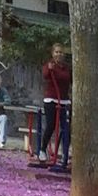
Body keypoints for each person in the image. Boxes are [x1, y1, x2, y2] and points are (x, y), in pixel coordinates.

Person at [35, 42, 71, 170]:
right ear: (53, 53)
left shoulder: (66, 68)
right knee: (50, 125)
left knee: (66, 127)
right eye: (56, 52)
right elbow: (45, 75)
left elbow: (70, 79)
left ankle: (65, 151)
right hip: (51, 99)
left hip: (64, 101)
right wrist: (49, 69)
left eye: (61, 52)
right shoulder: (49, 65)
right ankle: (42, 149)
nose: (59, 54)